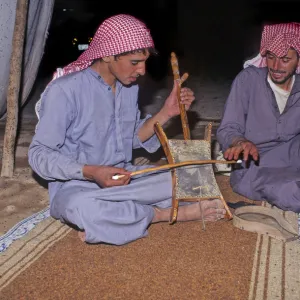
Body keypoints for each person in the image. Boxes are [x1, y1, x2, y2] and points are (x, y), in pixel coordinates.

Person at [29, 14, 226, 246]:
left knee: (194, 178)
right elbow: (38, 155)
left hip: (127, 177)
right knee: (80, 207)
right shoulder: (65, 91)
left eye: (144, 62)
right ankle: (161, 214)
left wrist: (166, 112)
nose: (142, 71)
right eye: (135, 62)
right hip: (79, 186)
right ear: (108, 55)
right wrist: (93, 172)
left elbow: (131, 138)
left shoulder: (128, 88)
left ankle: (122, 217)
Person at [217, 22, 300, 215]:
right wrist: (240, 141)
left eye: (285, 59)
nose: (276, 66)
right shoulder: (248, 80)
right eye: (271, 57)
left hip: (293, 157)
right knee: (289, 191)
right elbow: (228, 128)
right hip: (257, 166)